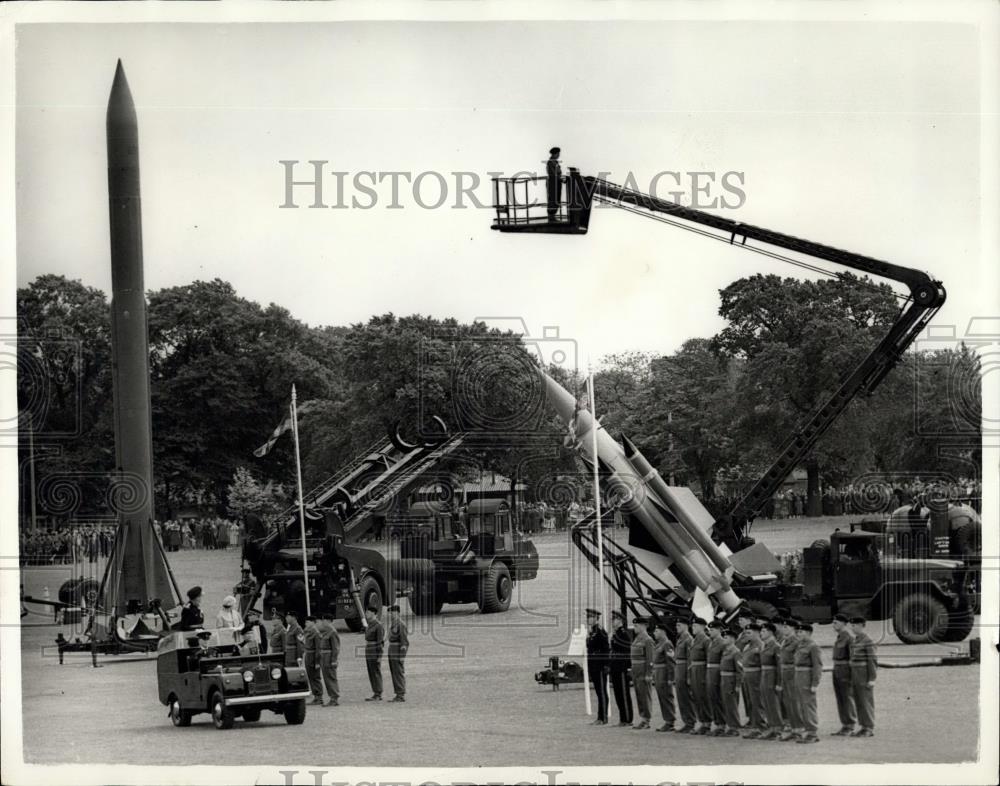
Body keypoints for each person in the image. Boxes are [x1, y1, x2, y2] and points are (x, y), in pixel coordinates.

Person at [793, 622, 823, 744]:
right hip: (799, 676)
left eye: (802, 632)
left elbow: (817, 666)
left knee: (808, 705)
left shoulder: (813, 646)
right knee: (801, 705)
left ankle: (812, 732)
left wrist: (815, 683)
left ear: (809, 633)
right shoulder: (800, 645)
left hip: (807, 677)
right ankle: (807, 730)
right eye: (798, 632)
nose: (798, 634)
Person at [848, 616, 877, 737]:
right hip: (856, 674)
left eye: (854, 625)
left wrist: (872, 678)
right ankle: (863, 726)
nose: (852, 628)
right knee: (859, 701)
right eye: (852, 625)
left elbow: (872, 660)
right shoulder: (856, 640)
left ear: (861, 626)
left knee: (866, 701)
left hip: (864, 674)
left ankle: (869, 727)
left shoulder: (867, 640)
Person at [830, 613, 857, 736]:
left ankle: (850, 724)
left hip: (845, 669)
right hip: (837, 669)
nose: (833, 624)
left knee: (846, 697)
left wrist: (852, 674)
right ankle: (844, 724)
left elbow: (853, 657)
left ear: (843, 624)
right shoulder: (840, 637)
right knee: (840, 698)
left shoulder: (849, 637)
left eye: (836, 622)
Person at [757, 621, 784, 740]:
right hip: (764, 675)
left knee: (773, 703)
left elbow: (779, 666)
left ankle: (778, 729)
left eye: (763, 631)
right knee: (766, 703)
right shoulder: (764, 645)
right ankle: (772, 727)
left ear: (770, 632)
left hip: (772, 676)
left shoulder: (776, 646)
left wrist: (779, 682)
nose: (761, 633)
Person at [740, 623, 767, 738]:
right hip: (747, 675)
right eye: (745, 633)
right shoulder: (747, 645)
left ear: (757, 633)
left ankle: (759, 726)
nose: (747, 635)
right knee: (750, 701)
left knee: (757, 701)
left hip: (756, 675)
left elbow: (763, 663)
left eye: (749, 633)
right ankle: (754, 724)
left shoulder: (761, 645)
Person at [778, 618, 802, 741]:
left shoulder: (796, 641)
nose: (783, 629)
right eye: (783, 627)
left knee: (794, 701)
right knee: (788, 701)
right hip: (785, 673)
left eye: (786, 627)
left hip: (793, 673)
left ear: (793, 629)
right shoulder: (784, 641)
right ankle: (793, 729)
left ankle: (799, 729)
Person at [585, 608, 610, 725]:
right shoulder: (592, 632)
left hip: (599, 666)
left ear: (596, 618)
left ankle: (603, 717)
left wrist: (605, 665)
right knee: (599, 692)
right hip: (594, 665)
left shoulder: (600, 632)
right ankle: (600, 717)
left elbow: (606, 649)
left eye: (590, 617)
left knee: (602, 692)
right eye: (587, 616)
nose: (588, 619)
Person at [608, 610, 634, 727]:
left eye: (615, 619)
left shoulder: (623, 634)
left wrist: (627, 668)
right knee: (618, 694)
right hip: (616, 667)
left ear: (620, 621)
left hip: (622, 668)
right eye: (612, 619)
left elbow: (626, 652)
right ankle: (622, 718)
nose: (612, 621)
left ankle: (627, 719)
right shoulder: (616, 634)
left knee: (623, 694)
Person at [629, 617, 655, 729]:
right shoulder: (637, 639)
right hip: (636, 671)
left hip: (643, 670)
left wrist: (649, 673)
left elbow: (650, 658)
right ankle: (642, 717)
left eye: (637, 626)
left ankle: (647, 719)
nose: (635, 628)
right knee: (639, 695)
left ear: (644, 626)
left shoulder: (647, 640)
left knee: (645, 695)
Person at [687, 616, 711, 734]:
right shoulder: (694, 640)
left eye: (695, 626)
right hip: (694, 669)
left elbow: (708, 658)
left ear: (702, 627)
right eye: (693, 625)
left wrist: (707, 675)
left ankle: (707, 723)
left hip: (702, 670)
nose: (693, 628)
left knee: (703, 696)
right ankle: (702, 721)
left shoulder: (706, 640)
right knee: (696, 696)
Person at [719, 627, 744, 736]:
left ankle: (734, 727)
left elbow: (740, 670)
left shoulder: (736, 652)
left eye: (726, 637)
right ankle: (730, 726)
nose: (723, 639)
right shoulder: (726, 651)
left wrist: (738, 685)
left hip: (731, 680)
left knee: (732, 704)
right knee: (726, 703)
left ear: (733, 639)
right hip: (724, 679)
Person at [651, 623, 676, 732]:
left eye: (656, 631)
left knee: (666, 697)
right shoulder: (659, 644)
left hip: (664, 673)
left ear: (663, 632)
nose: (654, 633)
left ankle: (670, 721)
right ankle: (667, 720)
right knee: (662, 697)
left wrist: (671, 677)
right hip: (658, 673)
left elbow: (670, 661)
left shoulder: (667, 644)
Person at [673, 618, 696, 733]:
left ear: (686, 626)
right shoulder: (680, 639)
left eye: (679, 625)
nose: (677, 627)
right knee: (681, 697)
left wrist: (688, 676)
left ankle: (690, 722)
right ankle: (686, 721)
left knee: (686, 697)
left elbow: (690, 659)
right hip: (679, 669)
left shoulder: (688, 639)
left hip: (684, 670)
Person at [705, 620, 726, 735]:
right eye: (709, 630)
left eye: (712, 630)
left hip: (717, 672)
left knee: (718, 698)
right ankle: (717, 723)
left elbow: (723, 660)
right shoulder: (711, 643)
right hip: (710, 671)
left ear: (720, 630)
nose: (710, 632)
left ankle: (722, 724)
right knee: (712, 697)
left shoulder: (722, 643)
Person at [317, 611, 341, 707]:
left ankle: (334, 698)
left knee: (331, 677)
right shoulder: (326, 631)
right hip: (324, 657)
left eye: (324, 620)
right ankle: (332, 697)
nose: (322, 622)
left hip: (329, 657)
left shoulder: (332, 632)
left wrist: (334, 660)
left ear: (328, 621)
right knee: (327, 678)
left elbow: (335, 648)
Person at [387, 605, 409, 702]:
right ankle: (398, 693)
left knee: (398, 673)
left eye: (393, 612)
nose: (391, 614)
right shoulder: (393, 624)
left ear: (398, 613)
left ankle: (400, 694)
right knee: (394, 673)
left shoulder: (401, 624)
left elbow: (404, 642)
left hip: (397, 651)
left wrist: (402, 656)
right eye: (391, 613)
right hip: (392, 651)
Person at [364, 606, 385, 701]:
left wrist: (379, 656)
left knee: (376, 672)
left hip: (374, 651)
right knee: (371, 672)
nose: (366, 614)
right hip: (369, 650)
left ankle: (378, 693)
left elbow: (380, 642)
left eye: (368, 612)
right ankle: (375, 692)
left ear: (373, 613)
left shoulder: (378, 625)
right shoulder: (370, 625)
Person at [302, 616, 324, 705]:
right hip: (308, 655)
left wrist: (317, 662)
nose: (305, 624)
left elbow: (318, 649)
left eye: (307, 622)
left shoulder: (316, 633)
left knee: (315, 677)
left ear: (312, 622)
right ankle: (316, 696)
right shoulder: (308, 632)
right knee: (311, 677)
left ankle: (319, 697)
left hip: (313, 656)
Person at [546, 147, 562, 221]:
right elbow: (553, 173)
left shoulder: (555, 162)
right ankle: (551, 216)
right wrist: (559, 178)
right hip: (553, 183)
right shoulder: (550, 162)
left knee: (557, 199)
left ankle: (553, 216)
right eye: (558, 153)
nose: (559, 155)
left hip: (557, 182)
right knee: (553, 199)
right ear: (554, 154)